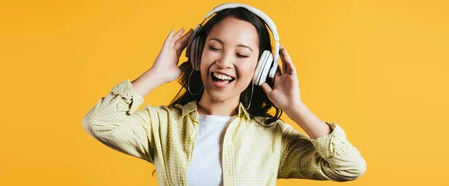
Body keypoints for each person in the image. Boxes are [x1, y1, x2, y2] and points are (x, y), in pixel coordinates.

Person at [82, 3, 366, 186]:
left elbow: (349, 167)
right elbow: (100, 123)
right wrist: (156, 75)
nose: (224, 62)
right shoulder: (163, 125)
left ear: (260, 67)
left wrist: (295, 108)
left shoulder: (272, 138)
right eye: (214, 47)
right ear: (197, 53)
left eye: (241, 54)